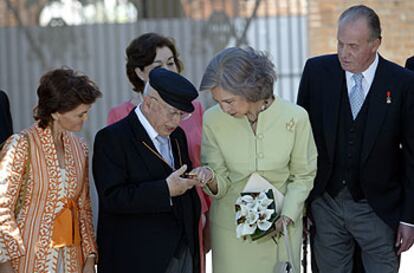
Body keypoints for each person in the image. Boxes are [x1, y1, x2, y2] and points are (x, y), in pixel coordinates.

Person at [297, 5, 414, 273]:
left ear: (375, 44)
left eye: (353, 46)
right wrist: (303, 205)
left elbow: (411, 155)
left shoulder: (402, 83)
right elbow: (301, 142)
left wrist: (409, 219)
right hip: (326, 204)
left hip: (379, 208)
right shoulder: (317, 72)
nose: (344, 53)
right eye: (340, 43)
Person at [199, 46, 317, 273]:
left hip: (282, 229)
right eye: (218, 101)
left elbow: (303, 174)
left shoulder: (296, 117)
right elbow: (220, 181)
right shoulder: (212, 119)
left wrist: (288, 215)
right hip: (231, 234)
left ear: (251, 90)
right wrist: (210, 178)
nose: (223, 108)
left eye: (229, 101)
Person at [107, 33, 211, 271]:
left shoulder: (194, 109)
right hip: (147, 225)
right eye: (158, 65)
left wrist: (206, 214)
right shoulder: (120, 117)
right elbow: (117, 188)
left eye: (171, 62)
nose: (168, 68)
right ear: (139, 72)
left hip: (193, 212)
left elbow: (201, 159)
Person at [0, 68, 101, 273]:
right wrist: (5, 263)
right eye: (80, 114)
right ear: (56, 112)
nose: (85, 118)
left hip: (71, 261)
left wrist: (90, 258)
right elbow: (2, 208)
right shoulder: (21, 144)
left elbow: (84, 208)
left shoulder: (80, 148)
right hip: (27, 261)